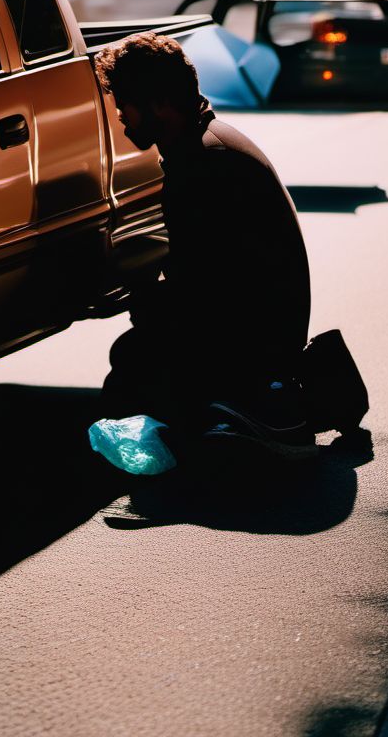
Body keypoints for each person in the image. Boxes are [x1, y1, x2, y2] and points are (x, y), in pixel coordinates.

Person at [93, 31, 315, 458]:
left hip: (258, 339)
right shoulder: (205, 142)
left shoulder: (204, 164)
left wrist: (142, 295)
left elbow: (202, 288)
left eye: (125, 104)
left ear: (160, 103)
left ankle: (238, 416)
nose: (120, 116)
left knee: (134, 359)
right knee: (142, 345)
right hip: (264, 326)